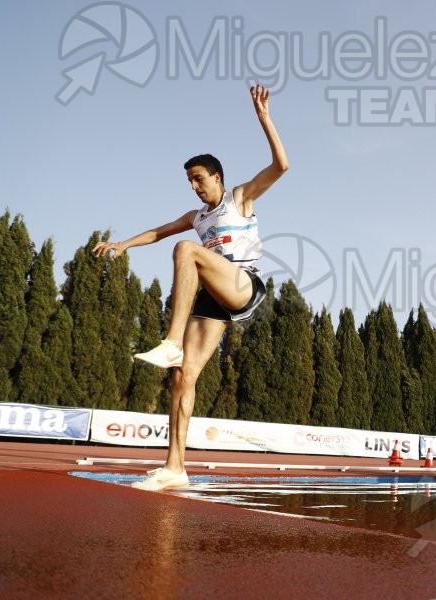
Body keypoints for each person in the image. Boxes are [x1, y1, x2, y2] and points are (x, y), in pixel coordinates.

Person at [92, 84, 289, 491]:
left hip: (242, 283)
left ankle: (171, 340)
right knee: (184, 376)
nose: (195, 187)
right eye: (190, 182)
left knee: (187, 250)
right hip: (212, 294)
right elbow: (158, 231)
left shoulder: (240, 198)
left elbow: (281, 166)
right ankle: (175, 466)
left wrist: (264, 118)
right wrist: (122, 244)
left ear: (216, 176)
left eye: (199, 179)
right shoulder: (197, 215)